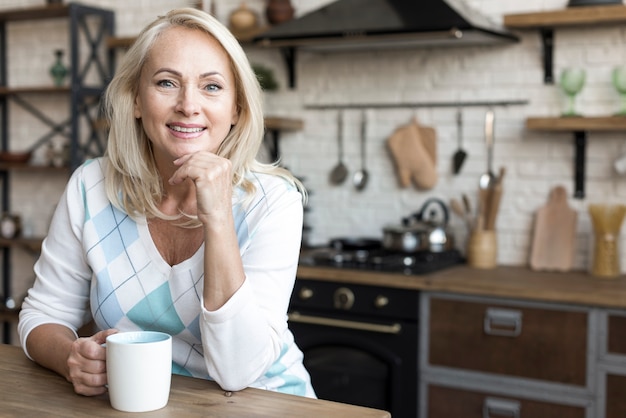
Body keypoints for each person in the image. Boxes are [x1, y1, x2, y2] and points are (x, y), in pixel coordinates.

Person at [17, 7, 315, 399]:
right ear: (137, 101)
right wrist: (71, 355)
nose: (189, 105)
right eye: (166, 83)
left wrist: (219, 217)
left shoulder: (274, 201)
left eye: (211, 87)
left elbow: (238, 372)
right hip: (145, 402)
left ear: (236, 109)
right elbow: (43, 315)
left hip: (269, 403)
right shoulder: (91, 186)